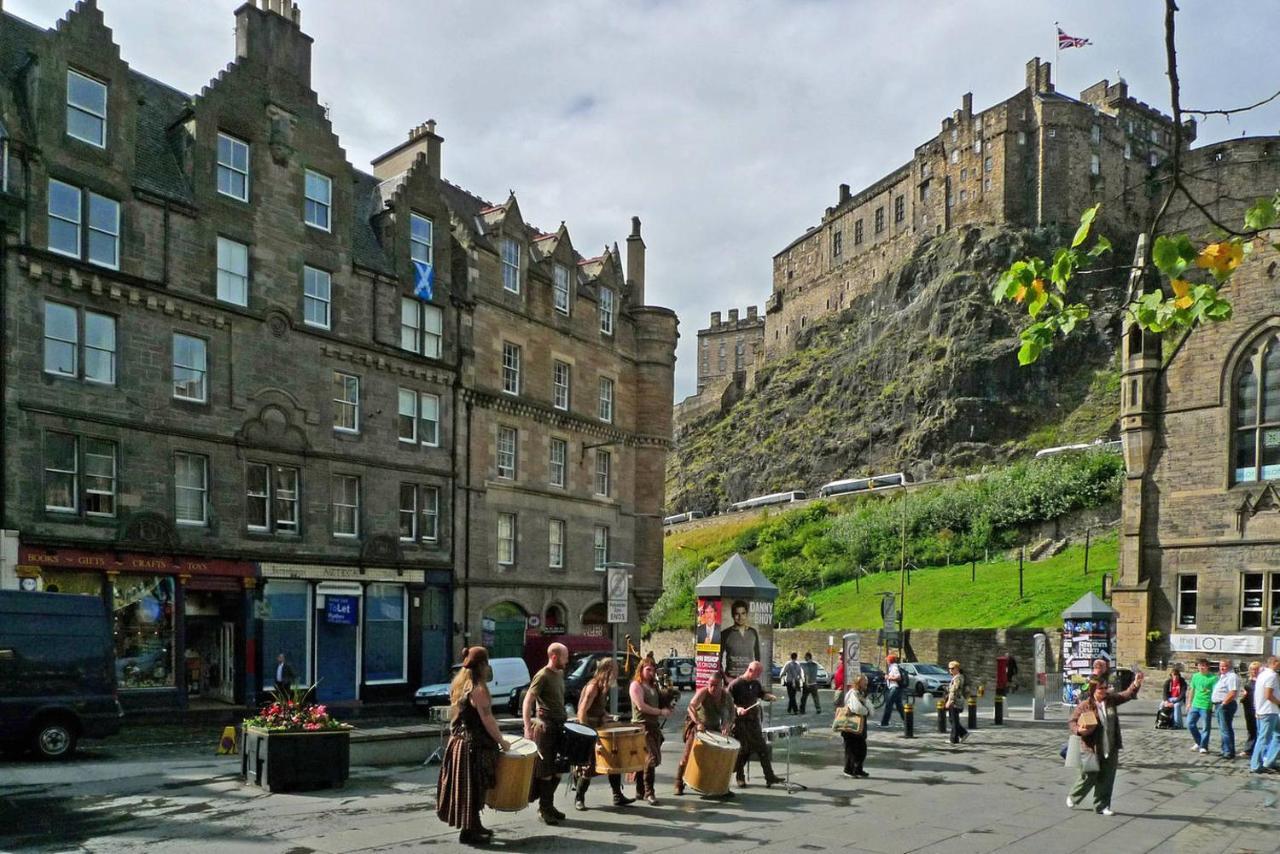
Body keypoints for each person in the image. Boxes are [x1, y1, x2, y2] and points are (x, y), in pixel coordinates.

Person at [436, 646, 508, 845]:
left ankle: (473, 825)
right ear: (482, 665)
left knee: (470, 787)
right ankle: (470, 831)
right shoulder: (477, 688)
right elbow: (487, 719)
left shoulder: (461, 685)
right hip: (472, 745)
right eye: (487, 663)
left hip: (460, 742)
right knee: (476, 786)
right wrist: (502, 741)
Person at [1067, 673, 1144, 815]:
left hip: (1110, 745)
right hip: (1091, 747)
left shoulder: (1111, 700)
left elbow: (1126, 695)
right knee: (1089, 775)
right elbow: (1072, 722)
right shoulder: (1085, 706)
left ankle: (1102, 806)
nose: (1104, 690)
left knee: (1107, 777)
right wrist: (1079, 730)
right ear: (1093, 690)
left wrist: (1136, 684)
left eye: (1106, 687)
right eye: (1101, 688)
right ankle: (1074, 796)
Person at [572, 657, 634, 811]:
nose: (616, 674)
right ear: (607, 670)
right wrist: (588, 734)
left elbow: (598, 708)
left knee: (613, 760)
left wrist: (607, 715)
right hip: (589, 729)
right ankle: (579, 798)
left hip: (600, 726)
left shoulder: (603, 686)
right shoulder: (593, 687)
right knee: (589, 765)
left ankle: (617, 796)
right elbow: (581, 711)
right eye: (615, 670)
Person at [523, 641, 570, 825]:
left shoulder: (559, 673)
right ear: (554, 657)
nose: (567, 660)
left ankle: (548, 806)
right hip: (546, 727)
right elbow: (528, 700)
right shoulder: (542, 675)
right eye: (565, 657)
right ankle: (544, 808)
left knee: (559, 769)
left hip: (560, 725)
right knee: (546, 771)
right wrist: (528, 727)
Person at [674, 670, 734, 797]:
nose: (712, 688)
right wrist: (697, 722)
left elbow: (732, 713)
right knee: (687, 756)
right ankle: (678, 783)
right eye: (710, 684)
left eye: (715, 685)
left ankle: (720, 787)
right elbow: (690, 707)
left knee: (719, 759)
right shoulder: (703, 692)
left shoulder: (726, 695)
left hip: (714, 728)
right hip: (699, 728)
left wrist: (727, 725)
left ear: (722, 685)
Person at [728, 661, 785, 787]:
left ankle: (770, 777)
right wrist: (737, 708)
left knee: (762, 748)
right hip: (740, 722)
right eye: (757, 673)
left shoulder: (755, 683)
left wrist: (769, 697)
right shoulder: (736, 684)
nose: (759, 676)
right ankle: (739, 777)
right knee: (742, 750)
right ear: (750, 670)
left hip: (753, 721)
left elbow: (761, 694)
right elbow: (727, 702)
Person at [629, 659, 672, 804]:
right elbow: (641, 707)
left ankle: (639, 791)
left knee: (645, 760)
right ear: (641, 670)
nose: (651, 673)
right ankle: (649, 793)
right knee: (651, 759)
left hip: (653, 726)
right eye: (648, 669)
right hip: (641, 726)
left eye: (653, 670)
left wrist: (669, 700)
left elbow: (661, 701)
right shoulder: (636, 685)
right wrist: (661, 711)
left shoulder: (653, 686)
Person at [1250, 656, 1280, 773]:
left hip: (1266, 710)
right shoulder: (1271, 676)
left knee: (1278, 735)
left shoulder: (1262, 674)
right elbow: (1268, 694)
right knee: (1264, 739)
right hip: (1269, 711)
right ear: (1274, 663)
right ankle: (1256, 765)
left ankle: (1270, 761)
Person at [842, 674, 872, 779]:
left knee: (861, 748)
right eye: (864, 682)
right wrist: (867, 711)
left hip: (860, 725)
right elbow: (857, 708)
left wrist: (867, 710)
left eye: (866, 682)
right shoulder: (853, 693)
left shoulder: (862, 693)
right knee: (850, 748)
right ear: (858, 683)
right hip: (851, 725)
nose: (866, 684)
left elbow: (870, 708)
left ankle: (858, 769)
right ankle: (848, 769)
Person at [1185, 657, 1217, 754]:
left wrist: (1214, 704)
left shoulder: (1213, 678)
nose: (1201, 668)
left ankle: (1204, 746)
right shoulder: (1195, 676)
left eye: (1203, 666)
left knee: (1206, 726)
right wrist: (1189, 702)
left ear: (1207, 667)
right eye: (1199, 666)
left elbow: (1216, 691)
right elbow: (1192, 690)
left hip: (1206, 704)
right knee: (1190, 723)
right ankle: (1199, 741)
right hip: (1195, 703)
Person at [720, 600, 760, 678]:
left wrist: (755, 676)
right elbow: (718, 660)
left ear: (746, 614)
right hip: (731, 678)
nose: (740, 617)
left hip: (749, 678)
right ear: (732, 615)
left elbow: (758, 658)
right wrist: (725, 678)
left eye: (743, 613)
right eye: (737, 614)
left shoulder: (753, 632)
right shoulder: (725, 633)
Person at [1211, 659, 1240, 760]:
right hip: (1220, 704)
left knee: (1226, 729)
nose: (1222, 668)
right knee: (1223, 729)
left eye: (1224, 666)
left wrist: (1224, 703)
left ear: (1230, 666)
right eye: (1220, 666)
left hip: (1226, 705)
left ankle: (1229, 751)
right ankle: (1224, 749)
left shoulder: (1232, 677)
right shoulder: (1223, 676)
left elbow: (1232, 692)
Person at [946, 660, 968, 744]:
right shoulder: (957, 677)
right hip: (956, 700)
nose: (950, 670)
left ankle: (954, 739)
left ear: (957, 669)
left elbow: (954, 690)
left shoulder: (958, 678)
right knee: (952, 720)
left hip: (955, 701)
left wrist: (950, 701)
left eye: (952, 668)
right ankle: (963, 733)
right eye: (949, 668)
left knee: (954, 720)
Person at [881, 653, 905, 727]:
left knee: (888, 705)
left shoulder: (894, 667)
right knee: (899, 706)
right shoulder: (893, 667)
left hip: (894, 688)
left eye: (887, 660)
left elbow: (898, 677)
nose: (887, 661)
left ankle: (884, 723)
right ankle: (907, 720)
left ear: (890, 661)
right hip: (896, 688)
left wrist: (888, 677)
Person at [1161, 664, 1187, 730]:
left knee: (1176, 706)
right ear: (1171, 676)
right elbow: (1164, 693)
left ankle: (1177, 724)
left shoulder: (1183, 683)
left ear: (1179, 675)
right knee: (1162, 705)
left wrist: (1174, 702)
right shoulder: (1168, 682)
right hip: (1169, 698)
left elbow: (1182, 695)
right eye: (1173, 675)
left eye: (1176, 675)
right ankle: (1162, 722)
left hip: (1178, 699)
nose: (1175, 677)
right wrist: (1166, 701)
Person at [1242, 661, 1260, 757]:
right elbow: (1246, 689)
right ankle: (1249, 748)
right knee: (1250, 728)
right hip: (1248, 705)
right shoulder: (1248, 679)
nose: (1254, 671)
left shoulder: (1261, 679)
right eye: (1252, 669)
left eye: (1256, 669)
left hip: (1258, 706)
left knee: (1258, 728)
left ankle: (1252, 749)